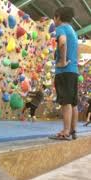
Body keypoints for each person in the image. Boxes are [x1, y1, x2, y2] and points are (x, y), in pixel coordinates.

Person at [49, 7, 78, 140]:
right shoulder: (73, 31)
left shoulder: (61, 29)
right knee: (72, 103)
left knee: (65, 102)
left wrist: (62, 61)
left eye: (54, 18)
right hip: (73, 71)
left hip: (65, 71)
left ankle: (65, 131)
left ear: (58, 17)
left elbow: (62, 42)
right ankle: (73, 130)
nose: (54, 21)